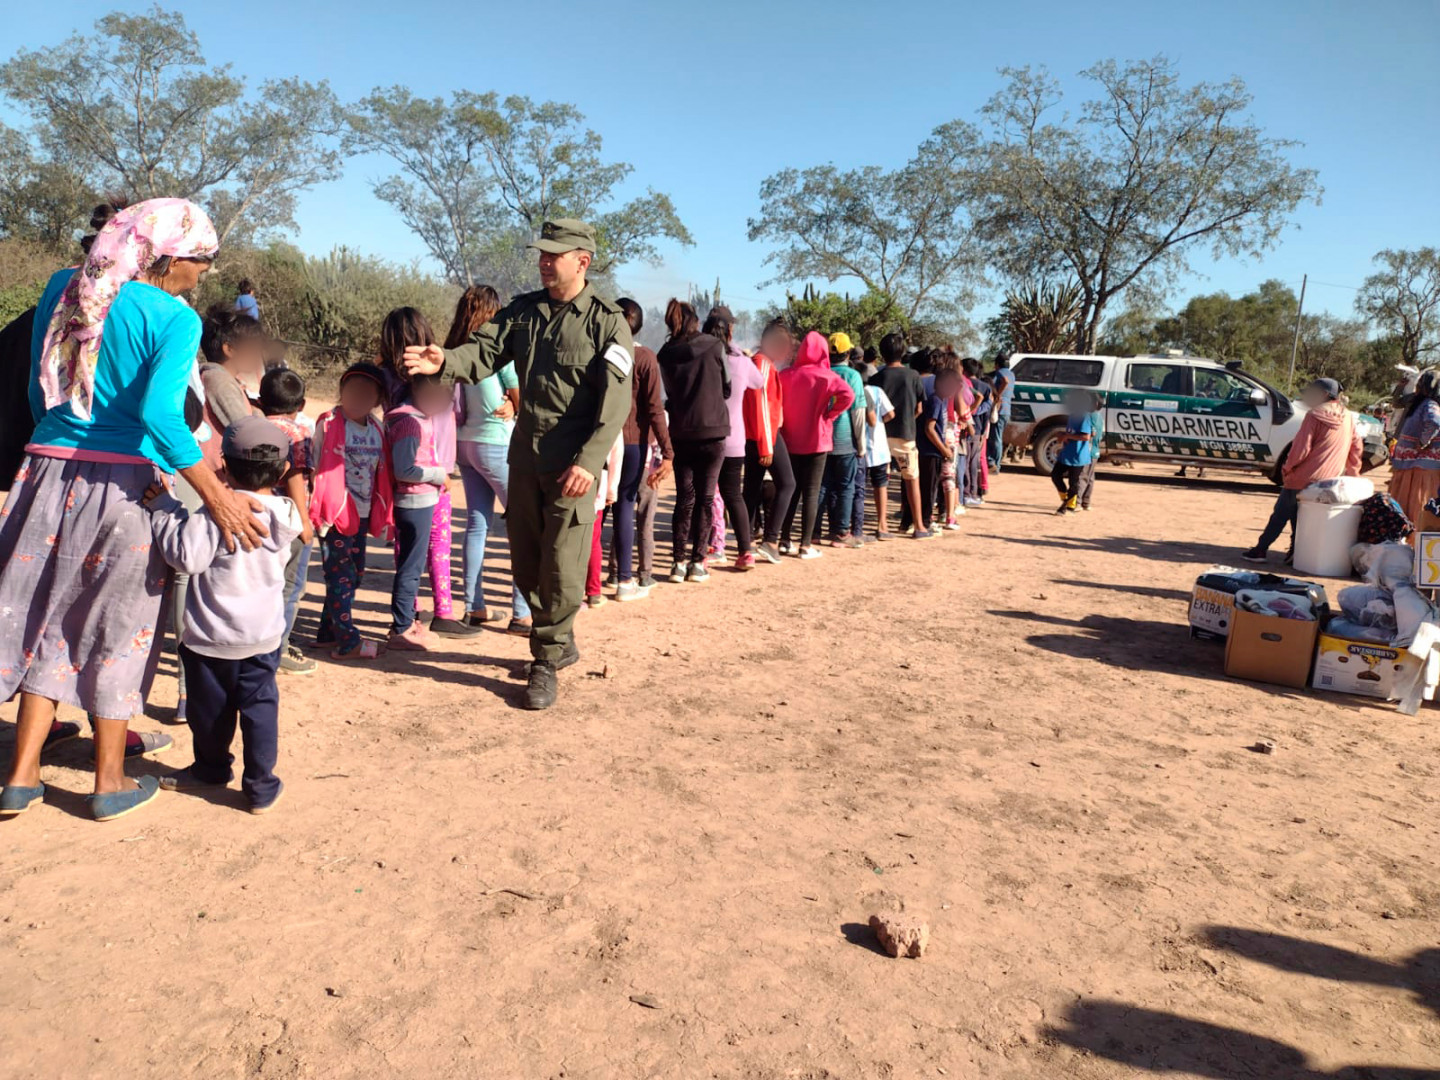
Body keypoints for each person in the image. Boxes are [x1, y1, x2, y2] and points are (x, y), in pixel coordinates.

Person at [0, 198, 266, 822]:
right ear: (168, 257)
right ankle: (110, 781)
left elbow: (46, 379)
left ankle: (21, 775)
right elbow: (160, 419)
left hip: (42, 472)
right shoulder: (173, 317)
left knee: (46, 614)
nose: (205, 275)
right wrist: (217, 497)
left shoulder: (63, 287)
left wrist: (56, 446)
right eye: (203, 261)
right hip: (119, 488)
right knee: (117, 631)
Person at [402, 219, 633, 711]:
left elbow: (616, 404)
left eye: (555, 254)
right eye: (542, 254)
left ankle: (545, 658)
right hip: (525, 460)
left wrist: (591, 463)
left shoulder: (607, 321)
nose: (544, 262)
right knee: (527, 563)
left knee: (563, 568)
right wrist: (442, 360)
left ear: (582, 261)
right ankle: (559, 636)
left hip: (573, 468)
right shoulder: (525, 313)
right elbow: (483, 350)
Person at [146, 416, 300, 814]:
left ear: (223, 467)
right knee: (259, 711)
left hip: (210, 640)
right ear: (283, 470)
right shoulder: (285, 513)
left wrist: (165, 507)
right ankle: (261, 787)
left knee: (210, 713)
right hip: (263, 638)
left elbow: (185, 557)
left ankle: (211, 769)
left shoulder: (215, 514)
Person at [380, 307, 475, 643]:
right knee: (437, 543)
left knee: (407, 547)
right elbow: (459, 412)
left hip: (402, 474)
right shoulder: (440, 370)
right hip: (437, 472)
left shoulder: (387, 378)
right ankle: (442, 611)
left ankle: (412, 612)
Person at [447, 286, 531, 634]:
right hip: (497, 443)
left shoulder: (456, 349)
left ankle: (474, 606)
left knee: (477, 525)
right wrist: (514, 404)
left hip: (464, 444)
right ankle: (522, 613)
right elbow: (521, 396)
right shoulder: (496, 353)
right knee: (524, 527)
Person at [310, 362, 392, 661]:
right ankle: (347, 641)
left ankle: (327, 632)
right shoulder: (329, 424)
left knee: (353, 573)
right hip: (335, 515)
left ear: (376, 399)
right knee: (341, 575)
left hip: (364, 512)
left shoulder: (376, 429)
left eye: (366, 394)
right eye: (352, 391)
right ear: (342, 392)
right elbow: (315, 466)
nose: (357, 399)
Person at [1243, 377, 1363, 561]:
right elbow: (1356, 446)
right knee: (1298, 515)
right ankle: (1295, 551)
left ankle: (1261, 549)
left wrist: (1288, 467)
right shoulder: (1347, 416)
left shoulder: (1314, 415)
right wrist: (1353, 472)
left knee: (1281, 514)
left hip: (1303, 476)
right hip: (1329, 480)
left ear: (1323, 395)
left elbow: (1301, 447)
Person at [657, 299, 730, 585]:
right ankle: (698, 562)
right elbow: (727, 386)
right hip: (712, 432)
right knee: (705, 498)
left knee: (684, 499)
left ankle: (677, 563)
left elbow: (671, 393)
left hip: (681, 432)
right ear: (695, 321)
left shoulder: (665, 353)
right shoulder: (714, 346)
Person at [259, 367, 318, 675]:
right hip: (290, 521)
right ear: (302, 405)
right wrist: (304, 522)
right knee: (290, 586)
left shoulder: (251, 425)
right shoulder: (297, 433)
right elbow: (295, 476)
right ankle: (277, 649)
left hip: (257, 516)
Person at [613, 299, 673, 600]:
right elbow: (654, 409)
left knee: (601, 511)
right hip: (633, 442)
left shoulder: (600, 354)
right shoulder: (646, 358)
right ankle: (625, 580)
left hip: (601, 442)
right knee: (625, 504)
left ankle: (598, 582)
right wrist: (668, 451)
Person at [778, 331, 855, 559]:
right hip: (817, 440)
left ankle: (784, 539)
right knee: (811, 493)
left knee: (791, 490)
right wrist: (830, 414)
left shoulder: (786, 374)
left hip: (790, 440)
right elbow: (848, 396)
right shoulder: (826, 376)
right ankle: (805, 545)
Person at [708, 307, 766, 571]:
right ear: (730, 330)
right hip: (734, 439)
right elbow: (759, 382)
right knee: (733, 494)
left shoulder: (703, 357)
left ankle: (706, 550)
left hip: (706, 436)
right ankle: (745, 551)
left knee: (704, 494)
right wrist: (742, 352)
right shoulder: (741, 360)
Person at [743, 319, 795, 564]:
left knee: (752, 488)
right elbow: (760, 406)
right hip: (765, 436)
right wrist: (767, 445)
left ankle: (748, 542)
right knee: (787, 484)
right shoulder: (761, 363)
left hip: (758, 436)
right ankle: (771, 541)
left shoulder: (763, 363)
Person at [871, 333, 930, 538]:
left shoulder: (876, 377)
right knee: (911, 478)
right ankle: (919, 526)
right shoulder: (912, 376)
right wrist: (908, 420)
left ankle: (882, 525)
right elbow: (920, 408)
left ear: (882, 353)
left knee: (881, 479)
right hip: (905, 434)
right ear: (903, 352)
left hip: (880, 437)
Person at [820, 332, 867, 548]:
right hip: (845, 439)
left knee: (822, 486)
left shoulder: (821, 372)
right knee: (846, 487)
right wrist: (862, 444)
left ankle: (814, 531)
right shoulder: (853, 376)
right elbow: (858, 412)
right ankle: (841, 532)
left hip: (822, 438)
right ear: (848, 353)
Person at [585, 435, 624, 607]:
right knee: (593, 540)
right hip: (597, 478)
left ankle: (571, 592)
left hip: (565, 475)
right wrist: (611, 491)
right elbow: (616, 454)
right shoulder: (608, 415)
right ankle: (593, 592)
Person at [917, 367, 957, 533]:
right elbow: (929, 428)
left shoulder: (942, 401)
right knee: (928, 488)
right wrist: (943, 449)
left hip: (936, 451)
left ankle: (926, 519)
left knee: (931, 487)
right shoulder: (935, 400)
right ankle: (925, 522)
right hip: (929, 452)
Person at [1052, 390, 1097, 515]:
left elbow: (1086, 436)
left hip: (1078, 456)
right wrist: (1063, 436)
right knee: (1055, 475)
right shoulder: (1072, 416)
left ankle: (1068, 507)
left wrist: (1067, 436)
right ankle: (1066, 499)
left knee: (1074, 481)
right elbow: (1071, 433)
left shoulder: (1084, 416)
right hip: (1067, 453)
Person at [863, 380, 896, 540]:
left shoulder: (849, 386)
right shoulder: (877, 391)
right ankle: (882, 525)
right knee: (880, 485)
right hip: (878, 447)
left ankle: (855, 525)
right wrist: (880, 423)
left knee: (857, 487)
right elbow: (890, 413)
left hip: (857, 446)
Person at [1077, 392, 1105, 511]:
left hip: (1087, 451)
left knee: (1082, 476)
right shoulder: (1100, 417)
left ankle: (1077, 502)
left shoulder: (1088, 416)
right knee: (1090, 477)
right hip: (1095, 451)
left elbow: (1088, 434)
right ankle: (1086, 502)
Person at [988, 353, 1015, 471]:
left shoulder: (1000, 373)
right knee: (998, 437)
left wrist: (997, 395)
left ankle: (995, 464)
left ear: (997, 365)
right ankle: (994, 462)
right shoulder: (1012, 374)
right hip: (1007, 410)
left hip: (999, 409)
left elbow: (1005, 381)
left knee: (996, 437)